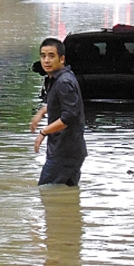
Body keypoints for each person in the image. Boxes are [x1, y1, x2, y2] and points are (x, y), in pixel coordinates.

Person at [30, 38, 87, 186]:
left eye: (51, 56)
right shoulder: (58, 79)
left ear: (62, 59)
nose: (46, 60)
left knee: (45, 191)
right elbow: (62, 104)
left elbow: (69, 116)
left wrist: (43, 132)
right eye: (43, 56)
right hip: (69, 151)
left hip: (64, 152)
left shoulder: (63, 82)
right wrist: (42, 111)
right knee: (66, 195)